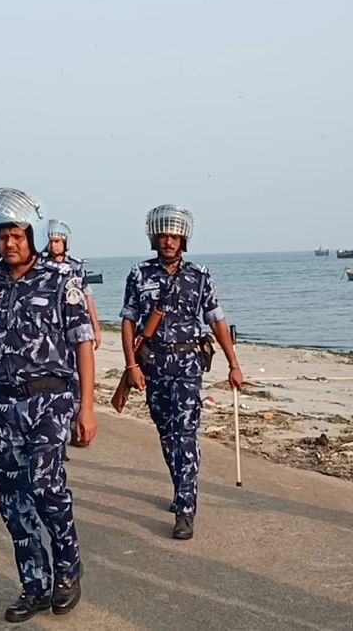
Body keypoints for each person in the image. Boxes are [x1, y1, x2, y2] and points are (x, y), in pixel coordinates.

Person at [0, 188, 97, 623]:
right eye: (0, 236)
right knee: (10, 499)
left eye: (16, 234)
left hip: (49, 400)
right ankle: (34, 585)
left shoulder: (61, 282)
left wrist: (87, 407)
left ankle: (67, 570)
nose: (9, 243)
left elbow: (84, 345)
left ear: (33, 235)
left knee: (46, 488)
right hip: (1, 405)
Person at [119, 204, 243, 541]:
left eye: (174, 236)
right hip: (153, 365)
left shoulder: (199, 275)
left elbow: (216, 319)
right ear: (154, 238)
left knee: (186, 435)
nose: (168, 241)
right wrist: (131, 365)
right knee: (166, 434)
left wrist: (234, 363)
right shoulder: (139, 274)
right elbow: (128, 321)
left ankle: (186, 510)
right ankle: (180, 486)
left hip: (188, 365)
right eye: (163, 235)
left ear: (183, 239)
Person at [44, 219, 103, 450]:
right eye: (50, 241)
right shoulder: (42, 268)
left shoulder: (76, 267)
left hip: (76, 329)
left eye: (57, 241)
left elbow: (87, 298)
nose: (53, 246)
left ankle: (75, 423)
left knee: (78, 379)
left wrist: (96, 328)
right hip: (55, 335)